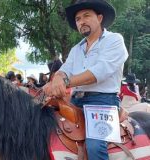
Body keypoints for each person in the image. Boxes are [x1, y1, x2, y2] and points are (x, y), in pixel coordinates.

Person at [43, 0, 128, 160]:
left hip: (103, 101)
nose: (81, 21)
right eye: (78, 19)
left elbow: (97, 73)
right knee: (47, 130)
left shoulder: (114, 40)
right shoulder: (76, 49)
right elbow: (64, 70)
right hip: (75, 101)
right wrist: (56, 80)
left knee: (94, 146)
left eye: (86, 16)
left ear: (100, 18)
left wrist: (65, 82)